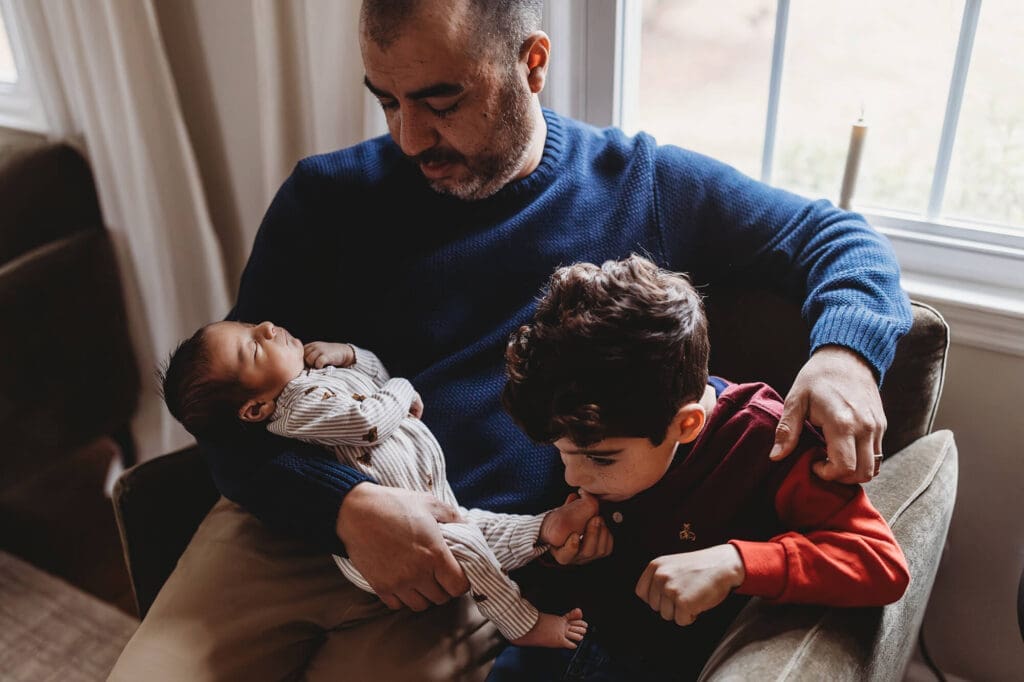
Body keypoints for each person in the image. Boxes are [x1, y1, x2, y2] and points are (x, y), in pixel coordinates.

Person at [110, 0, 912, 679]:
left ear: (532, 63)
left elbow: (836, 237)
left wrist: (844, 354)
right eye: (387, 102)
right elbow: (226, 418)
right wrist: (347, 507)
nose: (409, 138)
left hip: (468, 561)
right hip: (286, 523)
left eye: (440, 100)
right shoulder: (327, 199)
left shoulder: (643, 185)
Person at [488, 255, 910, 680]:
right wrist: (564, 553)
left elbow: (880, 562)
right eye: (563, 453)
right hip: (562, 642)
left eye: (600, 459)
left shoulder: (767, 443)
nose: (573, 478)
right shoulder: (594, 417)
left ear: (686, 425)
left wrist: (735, 563)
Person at [158, 319, 599, 649]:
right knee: (467, 548)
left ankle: (546, 529)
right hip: (383, 537)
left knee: (477, 529)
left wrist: (350, 354)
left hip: (428, 498)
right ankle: (521, 623)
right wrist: (405, 389)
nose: (268, 327)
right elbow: (367, 422)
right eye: (253, 348)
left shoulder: (311, 378)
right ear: (254, 410)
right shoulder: (294, 411)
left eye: (255, 327)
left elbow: (373, 379)